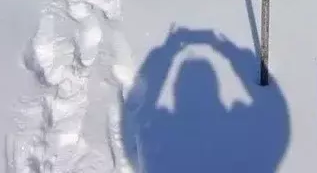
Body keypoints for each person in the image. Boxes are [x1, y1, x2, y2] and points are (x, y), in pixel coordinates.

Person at [122, 27, 289, 172]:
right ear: (215, 87)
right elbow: (275, 114)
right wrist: (230, 51)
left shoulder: (160, 143)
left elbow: (135, 110)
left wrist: (165, 54)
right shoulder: (242, 137)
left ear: (176, 92)